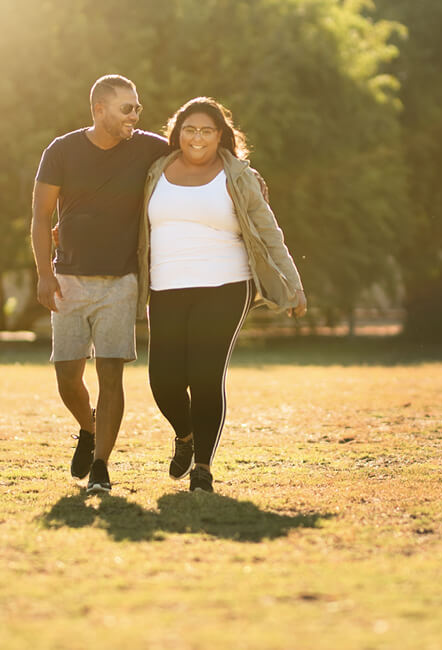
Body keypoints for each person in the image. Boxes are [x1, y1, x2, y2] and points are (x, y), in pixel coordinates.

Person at [136, 97, 307, 493]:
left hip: (226, 285)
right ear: (178, 133)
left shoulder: (239, 176)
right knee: (163, 380)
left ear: (221, 136)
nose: (197, 138)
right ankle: (185, 435)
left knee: (205, 376)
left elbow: (269, 231)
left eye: (207, 131)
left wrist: (293, 284)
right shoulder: (155, 172)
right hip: (165, 286)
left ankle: (202, 468)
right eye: (190, 129)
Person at [31, 74, 170, 493]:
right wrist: (42, 273)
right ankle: (88, 427)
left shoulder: (149, 148)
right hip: (68, 279)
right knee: (67, 376)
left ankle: (101, 467)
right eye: (127, 108)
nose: (135, 116)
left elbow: (200, 155)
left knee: (112, 374)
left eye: (138, 108)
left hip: (121, 281)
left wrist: (246, 177)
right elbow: (40, 217)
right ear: (99, 110)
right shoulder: (61, 151)